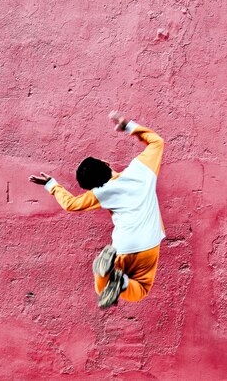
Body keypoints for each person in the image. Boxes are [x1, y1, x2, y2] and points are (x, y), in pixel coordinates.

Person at [29, 111, 165, 308]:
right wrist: (128, 126)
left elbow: (71, 204)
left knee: (103, 289)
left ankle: (113, 275)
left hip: (123, 246)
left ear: (93, 187)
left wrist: (52, 185)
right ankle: (122, 282)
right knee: (142, 288)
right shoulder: (141, 170)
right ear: (107, 163)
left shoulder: (101, 193)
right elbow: (157, 142)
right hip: (149, 243)